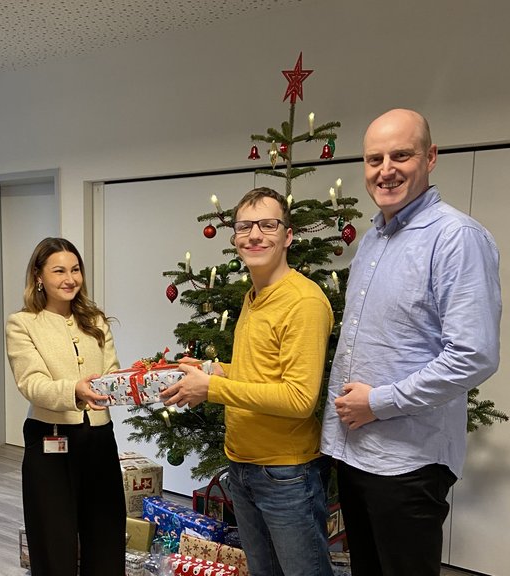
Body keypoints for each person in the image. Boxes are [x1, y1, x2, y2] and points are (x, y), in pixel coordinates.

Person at [321, 109, 501, 576]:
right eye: (374, 158)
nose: (386, 170)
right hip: (355, 452)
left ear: (431, 157)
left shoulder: (456, 238)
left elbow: (474, 355)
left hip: (408, 463)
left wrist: (378, 402)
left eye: (401, 155)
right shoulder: (372, 239)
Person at [161, 187, 335, 576]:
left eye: (267, 225)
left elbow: (298, 398)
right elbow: (261, 372)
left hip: (286, 475)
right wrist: (214, 371)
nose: (255, 235)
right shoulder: (254, 295)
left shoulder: (304, 302)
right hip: (243, 467)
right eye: (244, 226)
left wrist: (212, 389)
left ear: (287, 235)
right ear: (235, 237)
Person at [5, 237, 126, 576]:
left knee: (106, 537)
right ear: (38, 275)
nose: (70, 278)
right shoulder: (23, 323)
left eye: (75, 270)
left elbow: (113, 371)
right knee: (52, 542)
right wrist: (75, 390)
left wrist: (132, 384)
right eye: (59, 270)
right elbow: (32, 383)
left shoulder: (96, 320)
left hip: (100, 438)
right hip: (50, 440)